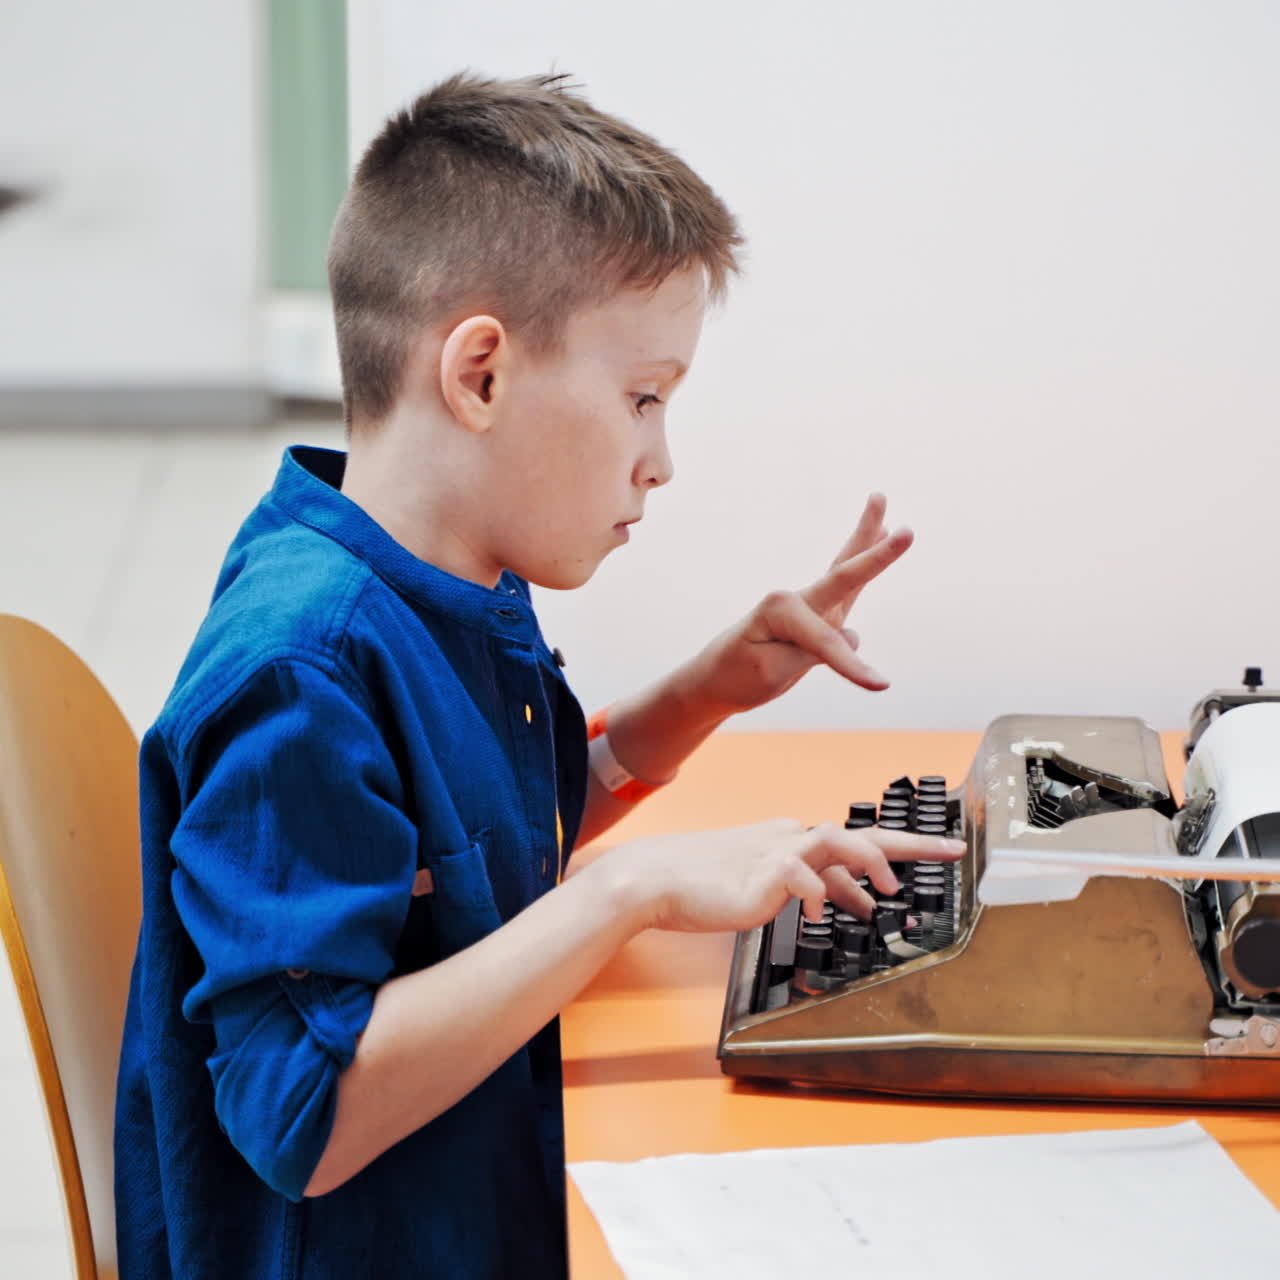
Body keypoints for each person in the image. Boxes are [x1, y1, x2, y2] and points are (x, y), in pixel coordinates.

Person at [113, 71, 963, 1279]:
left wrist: (711, 688)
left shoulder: (449, 575)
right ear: (481, 376)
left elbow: (492, 848)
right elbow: (302, 1117)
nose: (659, 460)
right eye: (642, 399)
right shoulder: (301, 670)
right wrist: (631, 893)